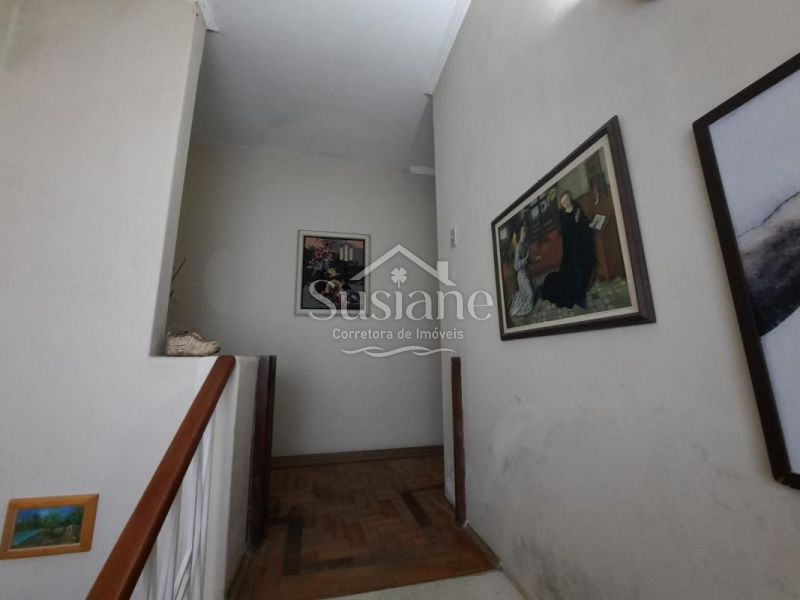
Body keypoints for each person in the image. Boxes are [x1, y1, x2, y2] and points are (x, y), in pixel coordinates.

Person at [541, 191, 595, 309]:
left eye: (566, 200)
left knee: (583, 264)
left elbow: (583, 224)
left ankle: (582, 288)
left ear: (570, 198)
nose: (565, 203)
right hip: (570, 247)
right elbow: (567, 231)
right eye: (563, 202)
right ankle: (578, 296)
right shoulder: (562, 214)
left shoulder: (577, 208)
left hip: (581, 244)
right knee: (572, 270)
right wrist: (575, 221)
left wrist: (582, 221)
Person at [508, 222, 536, 317]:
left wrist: (534, 259)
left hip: (527, 273)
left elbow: (528, 258)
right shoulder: (519, 247)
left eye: (525, 231)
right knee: (530, 298)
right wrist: (525, 260)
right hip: (522, 276)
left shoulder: (526, 244)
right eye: (523, 231)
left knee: (532, 294)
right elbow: (516, 266)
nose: (525, 233)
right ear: (519, 233)